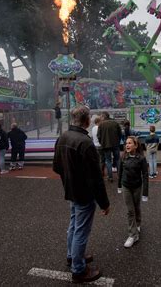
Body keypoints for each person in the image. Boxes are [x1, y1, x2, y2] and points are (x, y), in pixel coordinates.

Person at [53, 105, 110, 283]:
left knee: (74, 224)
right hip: (84, 194)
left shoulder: (63, 137)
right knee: (81, 230)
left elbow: (56, 167)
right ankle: (78, 270)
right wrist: (104, 203)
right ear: (86, 121)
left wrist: (69, 178)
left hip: (70, 190)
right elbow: (95, 178)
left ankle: (72, 256)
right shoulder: (85, 143)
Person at [118, 136, 149, 248]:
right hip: (126, 186)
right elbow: (120, 172)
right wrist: (119, 186)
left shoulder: (141, 159)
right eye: (126, 143)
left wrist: (145, 192)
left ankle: (138, 223)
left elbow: (145, 176)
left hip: (137, 187)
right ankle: (133, 235)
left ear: (135, 145)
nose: (127, 145)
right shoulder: (123, 157)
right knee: (130, 211)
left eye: (130, 143)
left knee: (136, 207)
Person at [97, 111, 122, 183]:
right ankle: (119, 176)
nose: (101, 118)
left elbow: (99, 135)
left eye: (101, 116)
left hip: (105, 145)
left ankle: (110, 177)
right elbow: (120, 134)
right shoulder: (115, 123)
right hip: (115, 144)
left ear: (104, 116)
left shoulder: (101, 124)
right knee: (117, 160)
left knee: (108, 161)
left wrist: (102, 143)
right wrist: (118, 141)